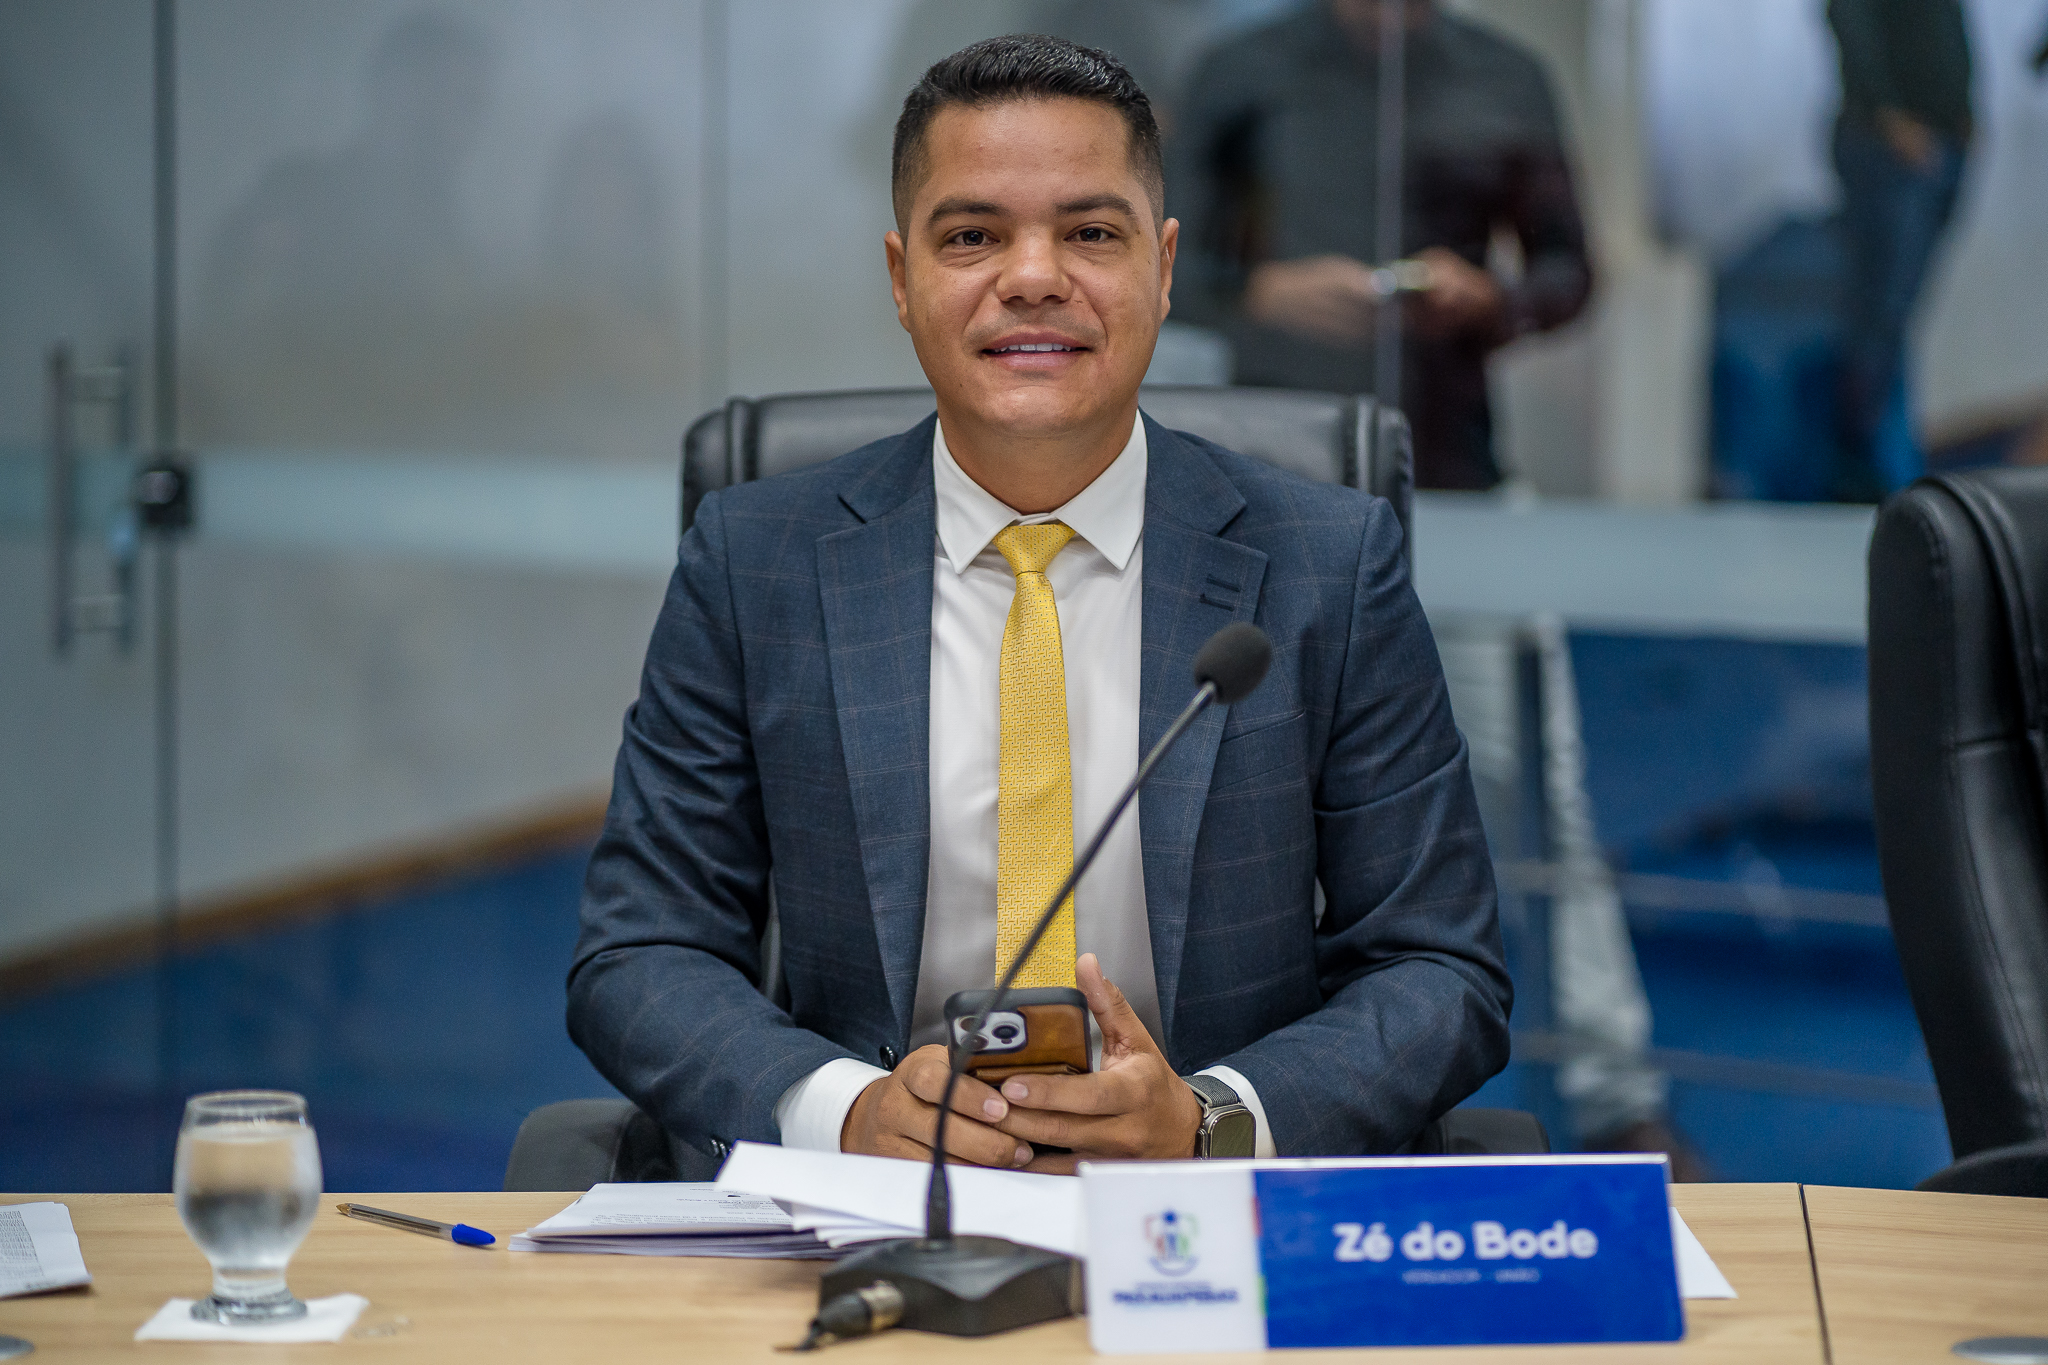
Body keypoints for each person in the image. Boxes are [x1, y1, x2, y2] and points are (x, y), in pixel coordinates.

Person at [569, 35, 1510, 1171]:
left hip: (1202, 1213)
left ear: (1164, 268)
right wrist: (847, 1113)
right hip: (876, 1206)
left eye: (1090, 234)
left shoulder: (1328, 565)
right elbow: (641, 952)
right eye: (971, 236)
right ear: (901, 278)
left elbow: (1437, 968)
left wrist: (1208, 1119)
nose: (1031, 276)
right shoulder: (755, 561)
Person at [1168, 0, 1592, 491]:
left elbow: (1568, 270)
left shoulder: (1505, 76)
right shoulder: (1241, 68)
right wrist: (1260, 293)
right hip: (1275, 437)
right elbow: (1157, 258)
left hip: (1441, 445)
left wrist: (1488, 299)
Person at [1826, 0, 1972, 501]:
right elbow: (1849, 17)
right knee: (1880, 316)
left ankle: (1883, 465)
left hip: (1939, 141)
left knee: (1900, 315)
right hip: (1892, 145)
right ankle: (1869, 470)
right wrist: (1890, 117)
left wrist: (1963, 117)